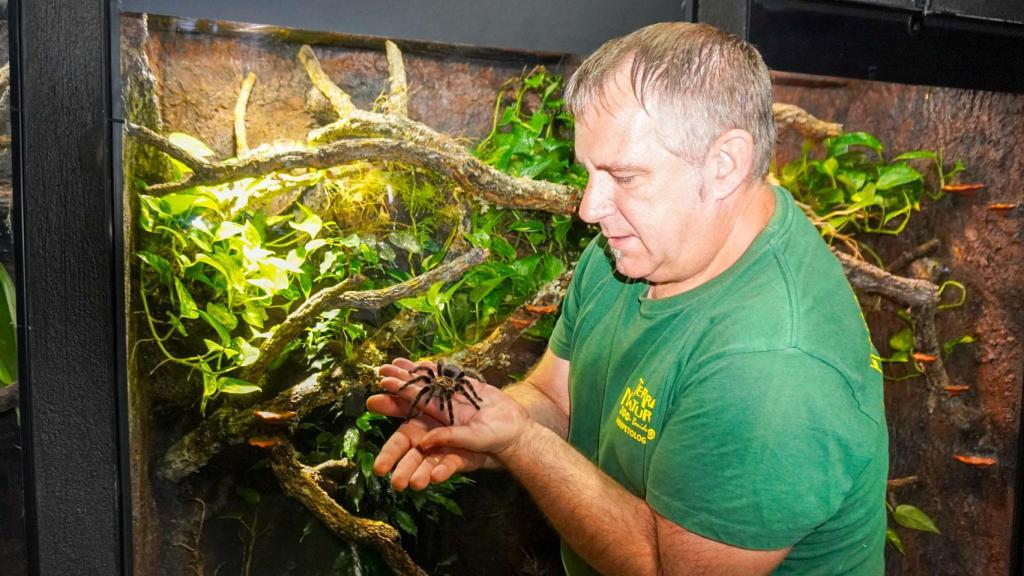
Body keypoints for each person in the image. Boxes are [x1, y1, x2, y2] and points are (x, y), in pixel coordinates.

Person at [367, 22, 888, 575]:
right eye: (590, 172)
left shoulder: (773, 367)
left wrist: (520, 442)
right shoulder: (637, 250)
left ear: (725, 165)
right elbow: (559, 399)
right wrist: (487, 423)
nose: (590, 209)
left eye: (625, 176)